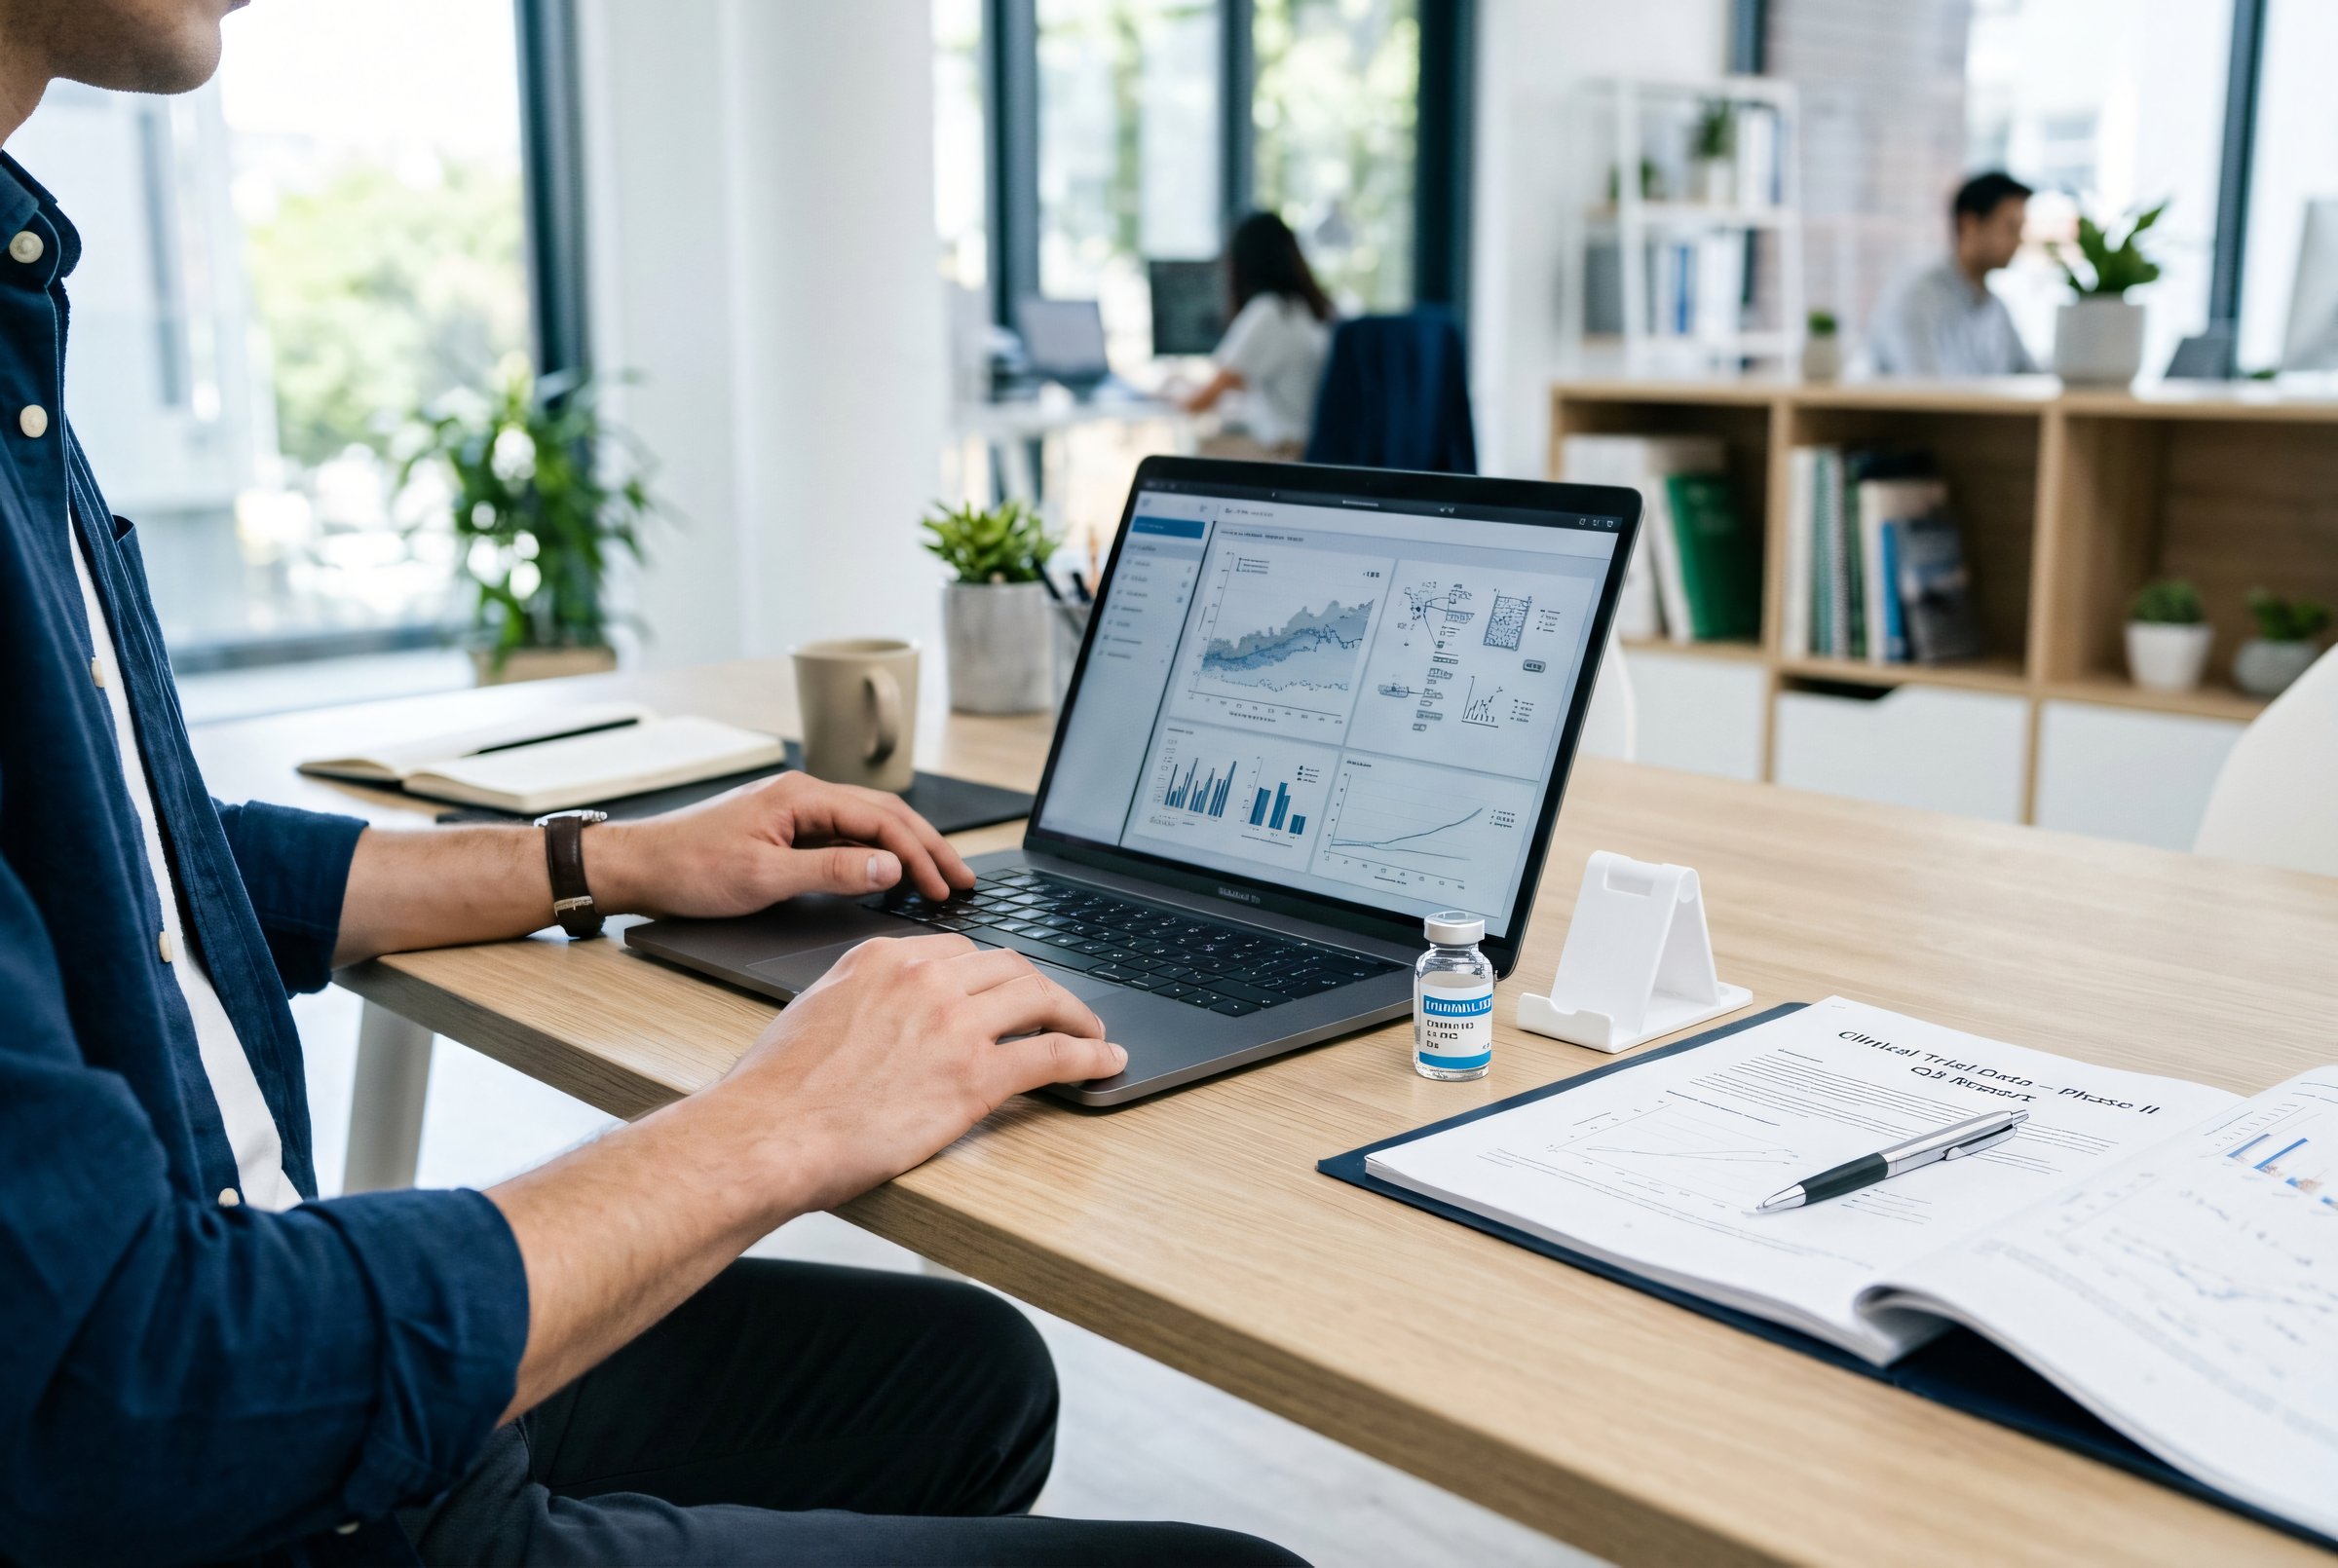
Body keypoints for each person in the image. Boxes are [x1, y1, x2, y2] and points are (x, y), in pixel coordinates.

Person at [0, 3, 1307, 1564]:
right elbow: (116, 1403)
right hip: (243, 1466)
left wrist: (613, 862)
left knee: (971, 1374)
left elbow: (135, 863)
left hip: (244, 1295)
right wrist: (774, 1122)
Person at [1183, 210, 1335, 459]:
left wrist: (1161, 398)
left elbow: (1202, 401)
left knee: (1191, 452)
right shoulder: (1306, 309)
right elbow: (1242, 381)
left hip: (1284, 450)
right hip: (1306, 443)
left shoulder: (1269, 312)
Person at [1868, 170, 2038, 378]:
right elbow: (1923, 392)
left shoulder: (1995, 308)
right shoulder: (1918, 296)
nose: (2019, 241)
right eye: (2010, 228)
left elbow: (2030, 375)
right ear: (1969, 224)